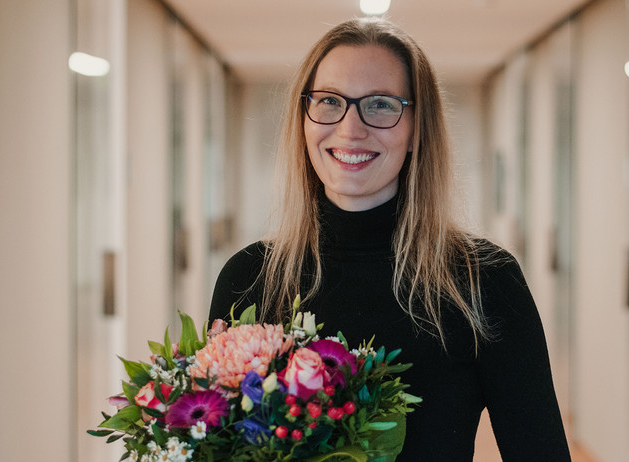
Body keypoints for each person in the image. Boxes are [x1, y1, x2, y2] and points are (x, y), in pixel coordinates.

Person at [209, 17, 571, 461]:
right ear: (303, 118)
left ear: (418, 127)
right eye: (328, 101)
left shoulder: (483, 280)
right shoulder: (249, 278)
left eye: (380, 104)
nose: (350, 128)